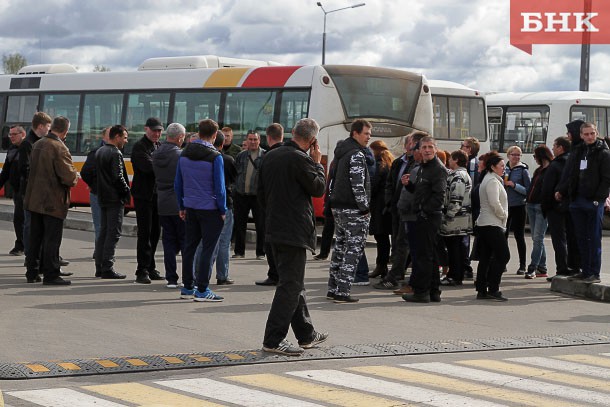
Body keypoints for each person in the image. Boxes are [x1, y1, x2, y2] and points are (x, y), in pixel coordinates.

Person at [259, 118, 327, 356]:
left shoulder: (269, 156)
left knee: (293, 282)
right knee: (290, 286)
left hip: (274, 228)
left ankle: (306, 334)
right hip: (294, 230)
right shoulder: (301, 159)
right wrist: (318, 164)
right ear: (312, 140)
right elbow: (318, 188)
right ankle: (273, 339)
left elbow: (260, 193)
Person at [175, 119, 226, 302]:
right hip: (210, 208)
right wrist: (223, 209)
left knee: (189, 247)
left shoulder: (184, 153)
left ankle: (188, 287)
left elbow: (178, 183)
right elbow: (219, 188)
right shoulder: (215, 157)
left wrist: (182, 206)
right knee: (208, 249)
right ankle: (202, 289)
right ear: (214, 135)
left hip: (190, 206)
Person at [24, 116, 78, 285]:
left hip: (34, 199)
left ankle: (32, 272)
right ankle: (51, 274)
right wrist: (75, 176)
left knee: (35, 238)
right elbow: (69, 177)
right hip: (52, 201)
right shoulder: (59, 147)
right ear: (65, 131)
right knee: (51, 239)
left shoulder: (38, 144)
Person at [327, 119, 372, 303]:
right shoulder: (356, 155)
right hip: (353, 209)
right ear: (355, 133)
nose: (369, 137)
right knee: (353, 249)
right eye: (366, 133)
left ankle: (332, 288)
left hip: (338, 207)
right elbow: (357, 185)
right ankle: (343, 292)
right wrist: (365, 208)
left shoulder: (341, 153)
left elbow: (332, 180)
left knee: (339, 248)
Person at [561, 122, 610, 283]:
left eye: (592, 133)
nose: (589, 137)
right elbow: (571, 174)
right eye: (586, 134)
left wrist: (598, 199)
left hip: (594, 202)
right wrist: (568, 193)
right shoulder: (578, 151)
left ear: (596, 133)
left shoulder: (603, 152)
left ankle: (594, 273)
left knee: (594, 238)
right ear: (581, 135)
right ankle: (585, 270)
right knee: (580, 237)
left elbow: (606, 178)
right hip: (577, 200)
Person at [401, 136, 447, 303]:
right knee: (429, 255)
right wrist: (409, 185)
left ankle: (421, 292)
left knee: (423, 256)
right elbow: (421, 192)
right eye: (424, 147)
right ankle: (433, 291)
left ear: (435, 149)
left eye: (430, 147)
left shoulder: (437, 169)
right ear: (419, 150)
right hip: (421, 216)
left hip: (428, 217)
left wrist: (424, 211)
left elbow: (439, 197)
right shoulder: (422, 167)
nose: (427, 150)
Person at [94, 125, 131, 279]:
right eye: (124, 137)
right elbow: (118, 177)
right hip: (114, 198)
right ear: (117, 137)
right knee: (113, 233)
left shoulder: (100, 151)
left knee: (103, 231)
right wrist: (126, 191)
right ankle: (107, 266)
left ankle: (99, 266)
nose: (126, 141)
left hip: (102, 196)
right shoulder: (115, 153)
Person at [152, 123, 186, 288]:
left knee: (169, 242)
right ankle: (188, 278)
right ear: (180, 137)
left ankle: (171, 278)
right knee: (185, 241)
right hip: (178, 203)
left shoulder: (156, 153)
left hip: (163, 201)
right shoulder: (180, 155)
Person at [541, 136, 579, 280]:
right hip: (571, 206)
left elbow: (547, 188)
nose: (552, 149)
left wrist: (545, 206)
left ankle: (562, 269)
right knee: (572, 237)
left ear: (560, 148)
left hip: (555, 208)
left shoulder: (555, 165)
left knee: (559, 240)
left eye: (554, 146)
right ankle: (574, 267)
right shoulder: (574, 162)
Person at [131, 117, 164, 284]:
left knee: (155, 233)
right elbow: (149, 168)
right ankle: (141, 269)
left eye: (159, 131)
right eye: (154, 130)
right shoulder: (139, 147)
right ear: (146, 129)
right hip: (143, 196)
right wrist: (163, 165)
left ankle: (151, 267)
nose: (157, 133)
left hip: (157, 195)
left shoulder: (158, 146)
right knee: (145, 233)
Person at [475, 152, 510, 301]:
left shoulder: (490, 179)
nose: (504, 169)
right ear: (492, 167)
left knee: (486, 257)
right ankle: (493, 287)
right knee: (503, 255)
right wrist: (503, 215)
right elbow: (494, 202)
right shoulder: (492, 181)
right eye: (501, 166)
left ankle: (482, 289)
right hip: (491, 223)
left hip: (485, 223)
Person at [18, 111, 52, 258]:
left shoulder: (42, 141)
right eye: (48, 127)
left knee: (39, 226)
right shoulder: (28, 143)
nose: (49, 130)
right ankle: (30, 255)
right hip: (31, 190)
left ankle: (40, 255)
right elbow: (24, 168)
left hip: (40, 190)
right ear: (40, 126)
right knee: (29, 225)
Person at [255, 123, 284, 286]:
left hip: (271, 205)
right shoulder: (291, 154)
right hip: (286, 206)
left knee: (271, 241)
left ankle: (274, 274)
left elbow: (261, 187)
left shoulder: (267, 157)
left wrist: (264, 206)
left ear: (268, 137)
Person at [439, 149, 472, 287]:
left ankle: (454, 276)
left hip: (456, 221)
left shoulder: (458, 176)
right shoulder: (463, 174)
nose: (449, 161)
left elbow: (456, 199)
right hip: (461, 219)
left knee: (454, 250)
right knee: (456, 249)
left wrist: (447, 216)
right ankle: (455, 275)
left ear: (457, 160)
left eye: (451, 158)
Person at [233, 130, 266, 259]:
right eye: (250, 139)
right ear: (246, 140)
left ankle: (260, 252)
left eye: (255, 139)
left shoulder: (264, 155)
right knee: (240, 224)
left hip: (257, 196)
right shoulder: (241, 155)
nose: (252, 142)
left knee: (261, 224)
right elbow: (236, 173)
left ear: (259, 141)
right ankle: (239, 252)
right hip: (241, 194)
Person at [210, 130, 237, 285]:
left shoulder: (202, 158)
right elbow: (234, 178)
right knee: (224, 241)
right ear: (222, 144)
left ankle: (200, 274)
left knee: (205, 242)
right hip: (225, 204)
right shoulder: (227, 159)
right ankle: (222, 275)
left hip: (206, 205)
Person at [524, 145, 553, 279]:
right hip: (531, 205)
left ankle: (532, 267)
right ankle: (542, 267)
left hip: (542, 206)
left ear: (541, 156)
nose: (534, 159)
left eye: (535, 156)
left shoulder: (551, 169)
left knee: (537, 238)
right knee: (537, 239)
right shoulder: (539, 170)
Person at [80, 127, 111, 258]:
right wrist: (95, 186)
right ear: (103, 137)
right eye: (110, 134)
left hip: (110, 196)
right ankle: (101, 254)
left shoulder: (116, 151)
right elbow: (85, 172)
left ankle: (102, 252)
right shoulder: (96, 153)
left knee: (109, 226)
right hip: (98, 194)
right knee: (100, 225)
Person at [367, 141, 394, 282]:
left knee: (380, 236)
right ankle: (382, 266)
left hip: (379, 206)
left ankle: (381, 266)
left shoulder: (379, 165)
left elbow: (374, 184)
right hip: (386, 205)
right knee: (384, 237)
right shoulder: (390, 162)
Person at [504, 145, 530, 274]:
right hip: (505, 206)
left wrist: (514, 185)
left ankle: (522, 265)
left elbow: (528, 191)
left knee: (519, 236)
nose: (516, 157)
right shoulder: (503, 169)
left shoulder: (523, 170)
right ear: (508, 155)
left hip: (519, 206)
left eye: (518, 155)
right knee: (503, 235)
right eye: (513, 154)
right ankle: (502, 262)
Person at [0, 125, 26, 256]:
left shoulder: (28, 148)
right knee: (18, 219)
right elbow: (5, 171)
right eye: (10, 135)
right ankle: (21, 244)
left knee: (23, 218)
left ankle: (24, 245)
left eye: (14, 134)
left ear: (23, 134)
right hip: (17, 191)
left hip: (27, 190)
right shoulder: (11, 150)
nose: (11, 137)